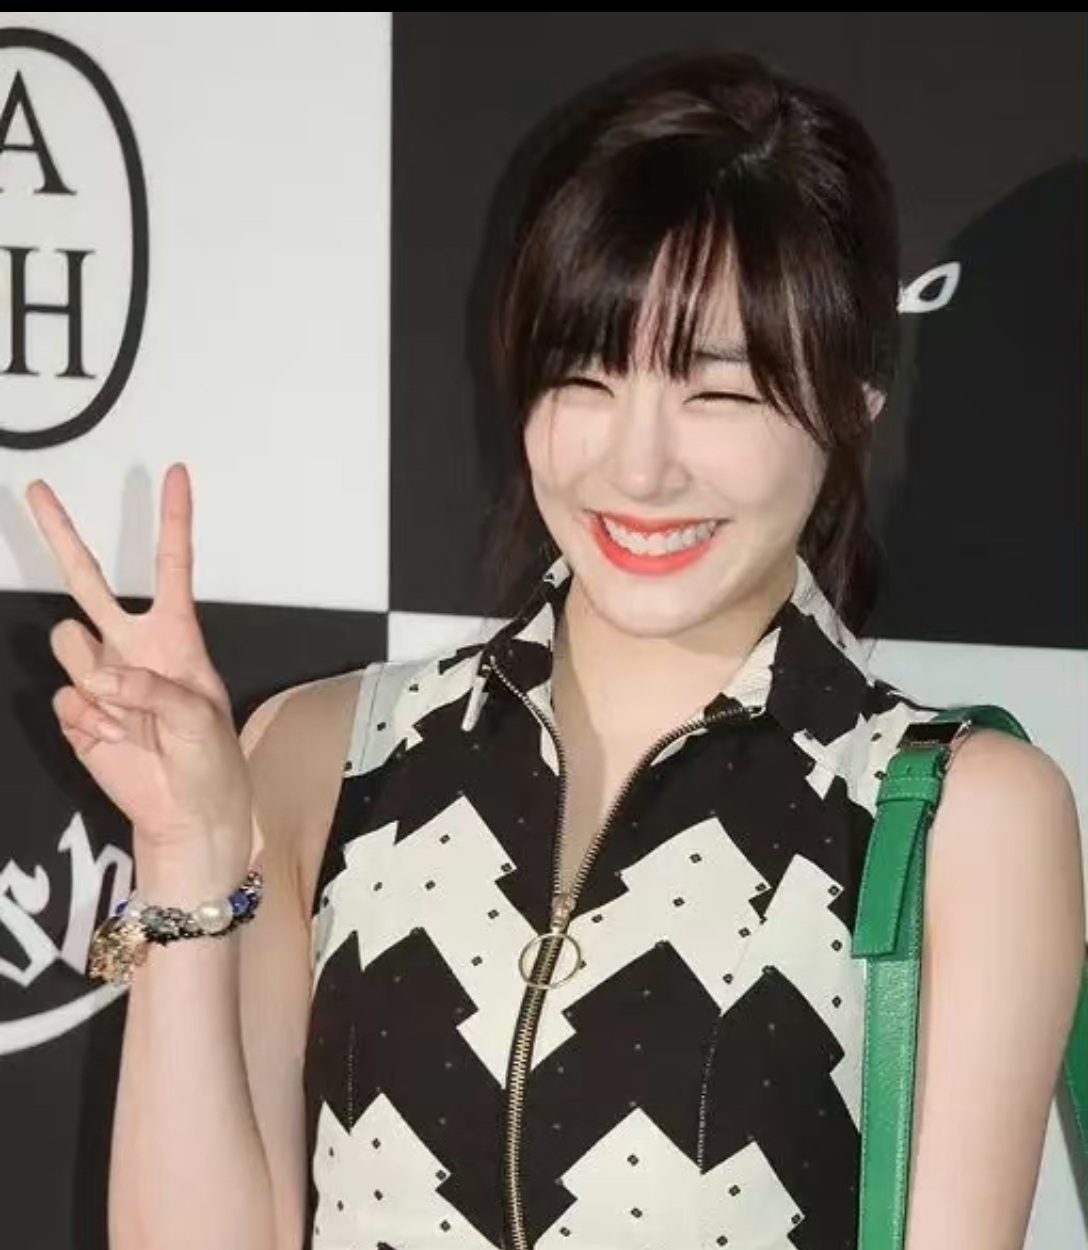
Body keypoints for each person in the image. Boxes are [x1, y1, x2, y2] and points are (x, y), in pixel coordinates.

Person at [24, 50, 1084, 1250]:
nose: (637, 467)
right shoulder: (328, 752)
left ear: (851, 396)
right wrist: (185, 853)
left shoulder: (953, 815)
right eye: (584, 376)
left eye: (718, 393)